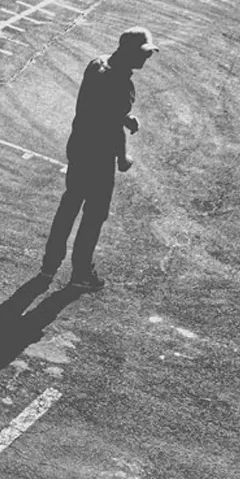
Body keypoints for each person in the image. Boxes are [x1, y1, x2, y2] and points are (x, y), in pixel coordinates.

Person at [42, 29, 156, 291]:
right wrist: (123, 158)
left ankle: (49, 264)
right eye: (143, 53)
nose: (146, 58)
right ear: (128, 52)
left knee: (69, 204)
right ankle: (81, 272)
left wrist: (123, 116)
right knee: (94, 215)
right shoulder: (121, 83)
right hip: (99, 156)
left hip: (79, 146)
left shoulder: (97, 65)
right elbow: (112, 125)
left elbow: (99, 108)